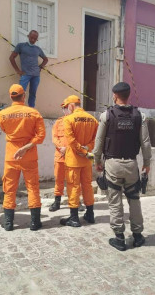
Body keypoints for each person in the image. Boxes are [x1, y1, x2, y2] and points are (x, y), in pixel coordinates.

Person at [93, 82, 152, 251]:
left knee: (115, 201)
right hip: (132, 164)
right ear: (128, 96)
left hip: (113, 164)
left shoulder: (107, 116)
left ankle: (119, 237)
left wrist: (97, 160)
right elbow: (146, 142)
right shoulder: (139, 116)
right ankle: (138, 236)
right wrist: (147, 163)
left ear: (115, 96)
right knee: (134, 199)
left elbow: (99, 141)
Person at [0, 84, 46, 231]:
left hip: (11, 156)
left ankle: (8, 223)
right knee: (32, 188)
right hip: (29, 155)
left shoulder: (3, 114)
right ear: (23, 96)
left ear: (11, 96)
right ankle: (34, 223)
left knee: (9, 189)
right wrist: (26, 147)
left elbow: (4, 129)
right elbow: (41, 135)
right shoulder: (33, 113)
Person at [60, 95, 98, 227]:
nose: (66, 109)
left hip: (74, 160)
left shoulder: (68, 120)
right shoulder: (93, 120)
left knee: (74, 186)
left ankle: (74, 218)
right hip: (87, 160)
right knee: (87, 186)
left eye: (66, 107)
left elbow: (71, 141)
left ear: (71, 106)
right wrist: (87, 149)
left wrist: (82, 151)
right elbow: (96, 140)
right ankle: (90, 214)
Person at [9, 30, 48, 108]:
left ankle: (31, 109)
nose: (33, 40)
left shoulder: (38, 49)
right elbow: (11, 58)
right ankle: (18, 108)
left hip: (36, 76)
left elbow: (46, 59)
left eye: (35, 39)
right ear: (28, 36)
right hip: (25, 74)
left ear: (37, 39)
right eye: (31, 38)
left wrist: (40, 67)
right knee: (20, 93)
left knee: (33, 93)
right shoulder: (21, 46)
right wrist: (17, 70)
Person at [49, 102, 68, 212]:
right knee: (58, 179)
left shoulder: (75, 121)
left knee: (73, 181)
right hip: (60, 155)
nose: (65, 110)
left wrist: (67, 148)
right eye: (63, 108)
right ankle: (57, 201)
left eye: (66, 108)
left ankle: (76, 202)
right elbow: (54, 137)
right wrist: (61, 148)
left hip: (71, 155)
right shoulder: (58, 122)